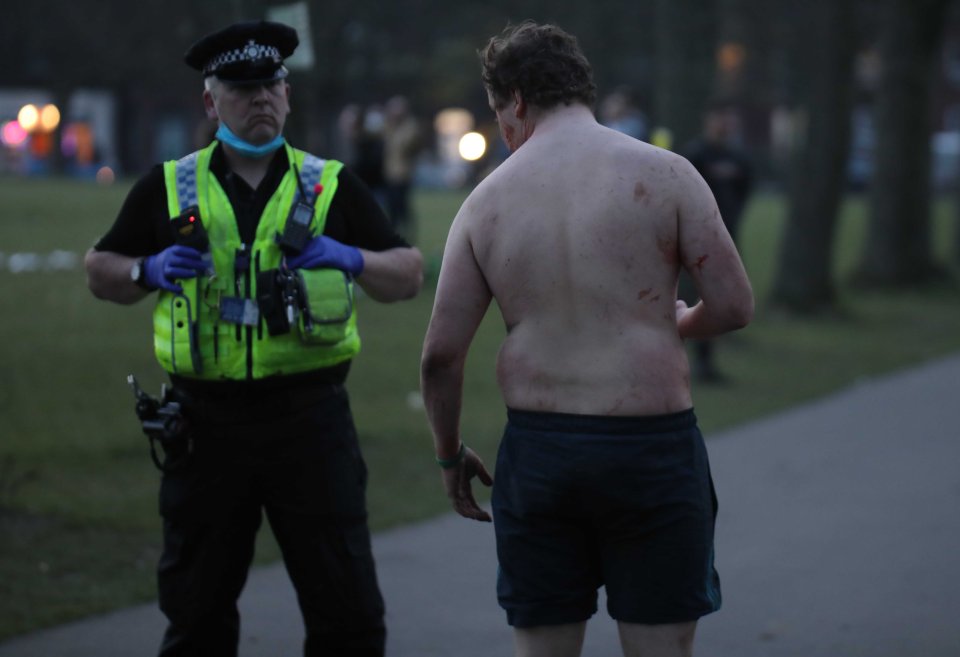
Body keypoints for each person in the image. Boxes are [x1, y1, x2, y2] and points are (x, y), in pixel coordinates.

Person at [84, 20, 422, 657]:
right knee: (197, 616)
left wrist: (350, 257)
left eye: (271, 85)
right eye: (241, 89)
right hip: (204, 428)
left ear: (288, 94)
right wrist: (145, 270)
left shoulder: (328, 184)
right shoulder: (170, 184)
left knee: (346, 613)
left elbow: (406, 273)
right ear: (212, 104)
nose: (260, 98)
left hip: (310, 423)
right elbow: (100, 269)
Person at [420, 21, 753, 657]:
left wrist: (447, 453)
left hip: (542, 455)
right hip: (651, 452)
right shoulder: (668, 174)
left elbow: (441, 356)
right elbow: (734, 306)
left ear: (515, 100)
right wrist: (677, 322)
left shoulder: (485, 204)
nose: (503, 133)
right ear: (581, 89)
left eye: (499, 114)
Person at [679, 100, 754, 382]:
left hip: (728, 236)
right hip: (695, 239)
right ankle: (691, 360)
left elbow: (746, 188)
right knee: (691, 297)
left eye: (728, 118)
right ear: (707, 120)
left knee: (721, 295)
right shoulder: (696, 155)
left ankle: (707, 362)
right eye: (719, 117)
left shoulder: (738, 158)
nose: (724, 124)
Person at [382, 95, 424, 240]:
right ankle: (393, 235)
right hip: (389, 174)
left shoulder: (409, 127)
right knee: (391, 208)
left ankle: (408, 234)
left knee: (402, 207)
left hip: (402, 174)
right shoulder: (388, 127)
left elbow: (407, 146)